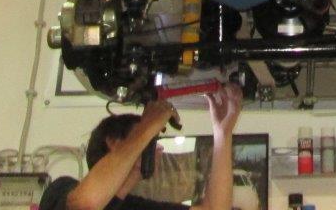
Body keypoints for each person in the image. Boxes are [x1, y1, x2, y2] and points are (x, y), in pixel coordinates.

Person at [39, 83, 243, 210]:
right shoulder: (61, 190)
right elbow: (86, 204)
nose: (158, 150)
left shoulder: (134, 206)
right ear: (114, 143)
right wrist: (148, 125)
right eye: (149, 141)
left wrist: (222, 133)